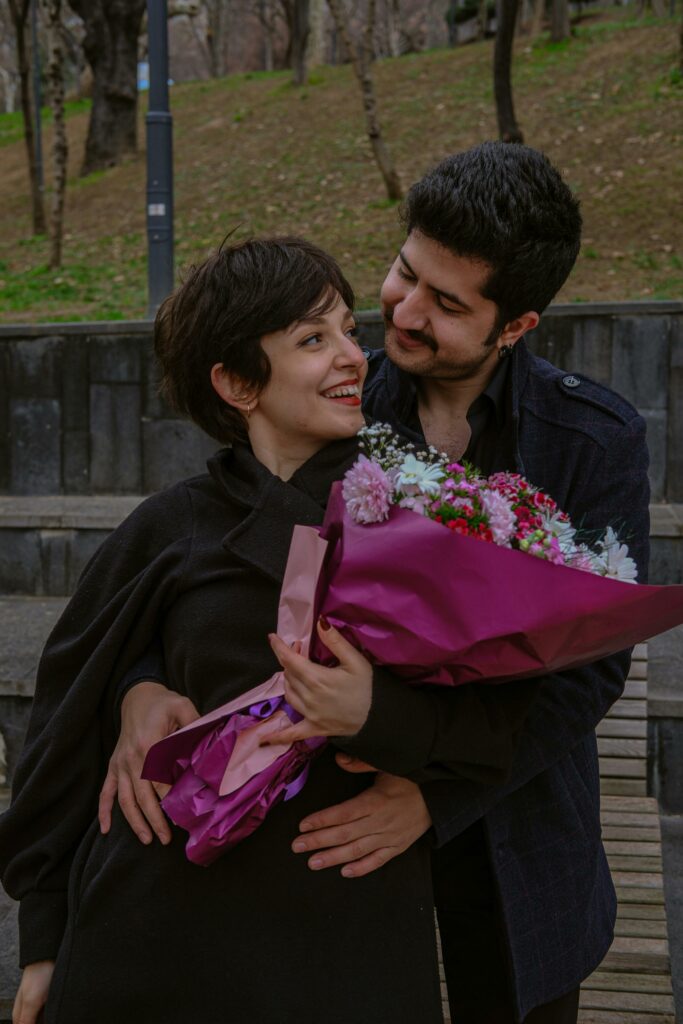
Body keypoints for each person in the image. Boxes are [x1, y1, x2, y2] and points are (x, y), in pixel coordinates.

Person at [105, 143, 651, 1024]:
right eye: (404, 272)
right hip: (325, 849)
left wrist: (434, 798)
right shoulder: (332, 398)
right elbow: (204, 565)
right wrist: (143, 686)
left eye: (446, 303)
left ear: (515, 326)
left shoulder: (592, 443)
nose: (400, 309)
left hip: (516, 840)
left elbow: (588, 673)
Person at [1, 236, 539, 1024]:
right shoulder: (167, 526)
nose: (354, 357)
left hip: (343, 942)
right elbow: (61, 724)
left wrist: (369, 717)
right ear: (236, 383)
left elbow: (498, 727)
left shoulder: (428, 520)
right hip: (151, 935)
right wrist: (44, 940)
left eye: (347, 332)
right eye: (311, 340)